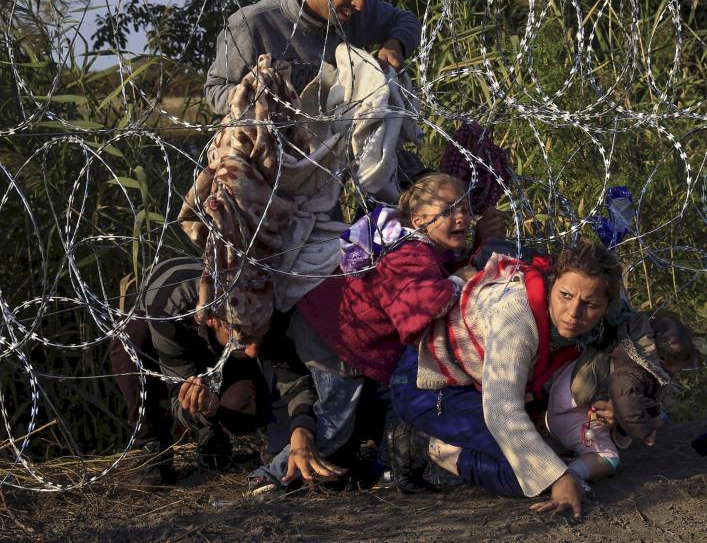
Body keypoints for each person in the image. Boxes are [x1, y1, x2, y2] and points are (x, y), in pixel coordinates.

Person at [249, 173, 505, 490]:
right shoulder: (411, 252)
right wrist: (464, 277)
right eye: (449, 209)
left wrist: (473, 253)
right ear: (419, 219)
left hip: (332, 328)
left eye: (465, 209)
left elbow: (436, 275)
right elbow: (423, 305)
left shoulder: (416, 245)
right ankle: (272, 475)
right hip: (337, 342)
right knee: (334, 424)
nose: (461, 217)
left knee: (397, 400)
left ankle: (389, 467)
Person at [389, 240, 624, 519]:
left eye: (590, 304)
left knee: (537, 460)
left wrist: (614, 406)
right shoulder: (516, 316)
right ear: (553, 283)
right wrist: (558, 478)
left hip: (474, 387)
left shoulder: (603, 325)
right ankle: (424, 442)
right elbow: (502, 410)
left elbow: (641, 364)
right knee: (526, 474)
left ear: (608, 306)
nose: (573, 313)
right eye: (565, 295)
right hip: (428, 385)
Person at [109, 257, 344, 485]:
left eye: (257, 334)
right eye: (244, 337)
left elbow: (293, 379)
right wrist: (205, 411)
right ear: (213, 320)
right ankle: (153, 448)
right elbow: (177, 398)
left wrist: (302, 430)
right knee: (128, 339)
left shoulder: (263, 300)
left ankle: (232, 437)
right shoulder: (168, 309)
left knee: (239, 406)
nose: (253, 352)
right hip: (173, 336)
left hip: (224, 351)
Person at [204, 0, 421, 114]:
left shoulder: (356, 10)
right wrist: (268, 96)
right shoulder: (251, 25)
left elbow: (407, 20)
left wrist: (397, 44)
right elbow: (215, 92)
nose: (360, 4)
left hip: (341, 149)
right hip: (279, 150)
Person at [544, 311, 699, 485]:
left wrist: (653, 415)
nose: (675, 374)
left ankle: (574, 456)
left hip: (564, 405)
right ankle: (571, 476)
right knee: (608, 458)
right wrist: (645, 431)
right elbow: (627, 404)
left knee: (620, 430)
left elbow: (644, 399)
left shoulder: (625, 352)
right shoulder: (632, 372)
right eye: (676, 369)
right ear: (662, 361)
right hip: (569, 416)